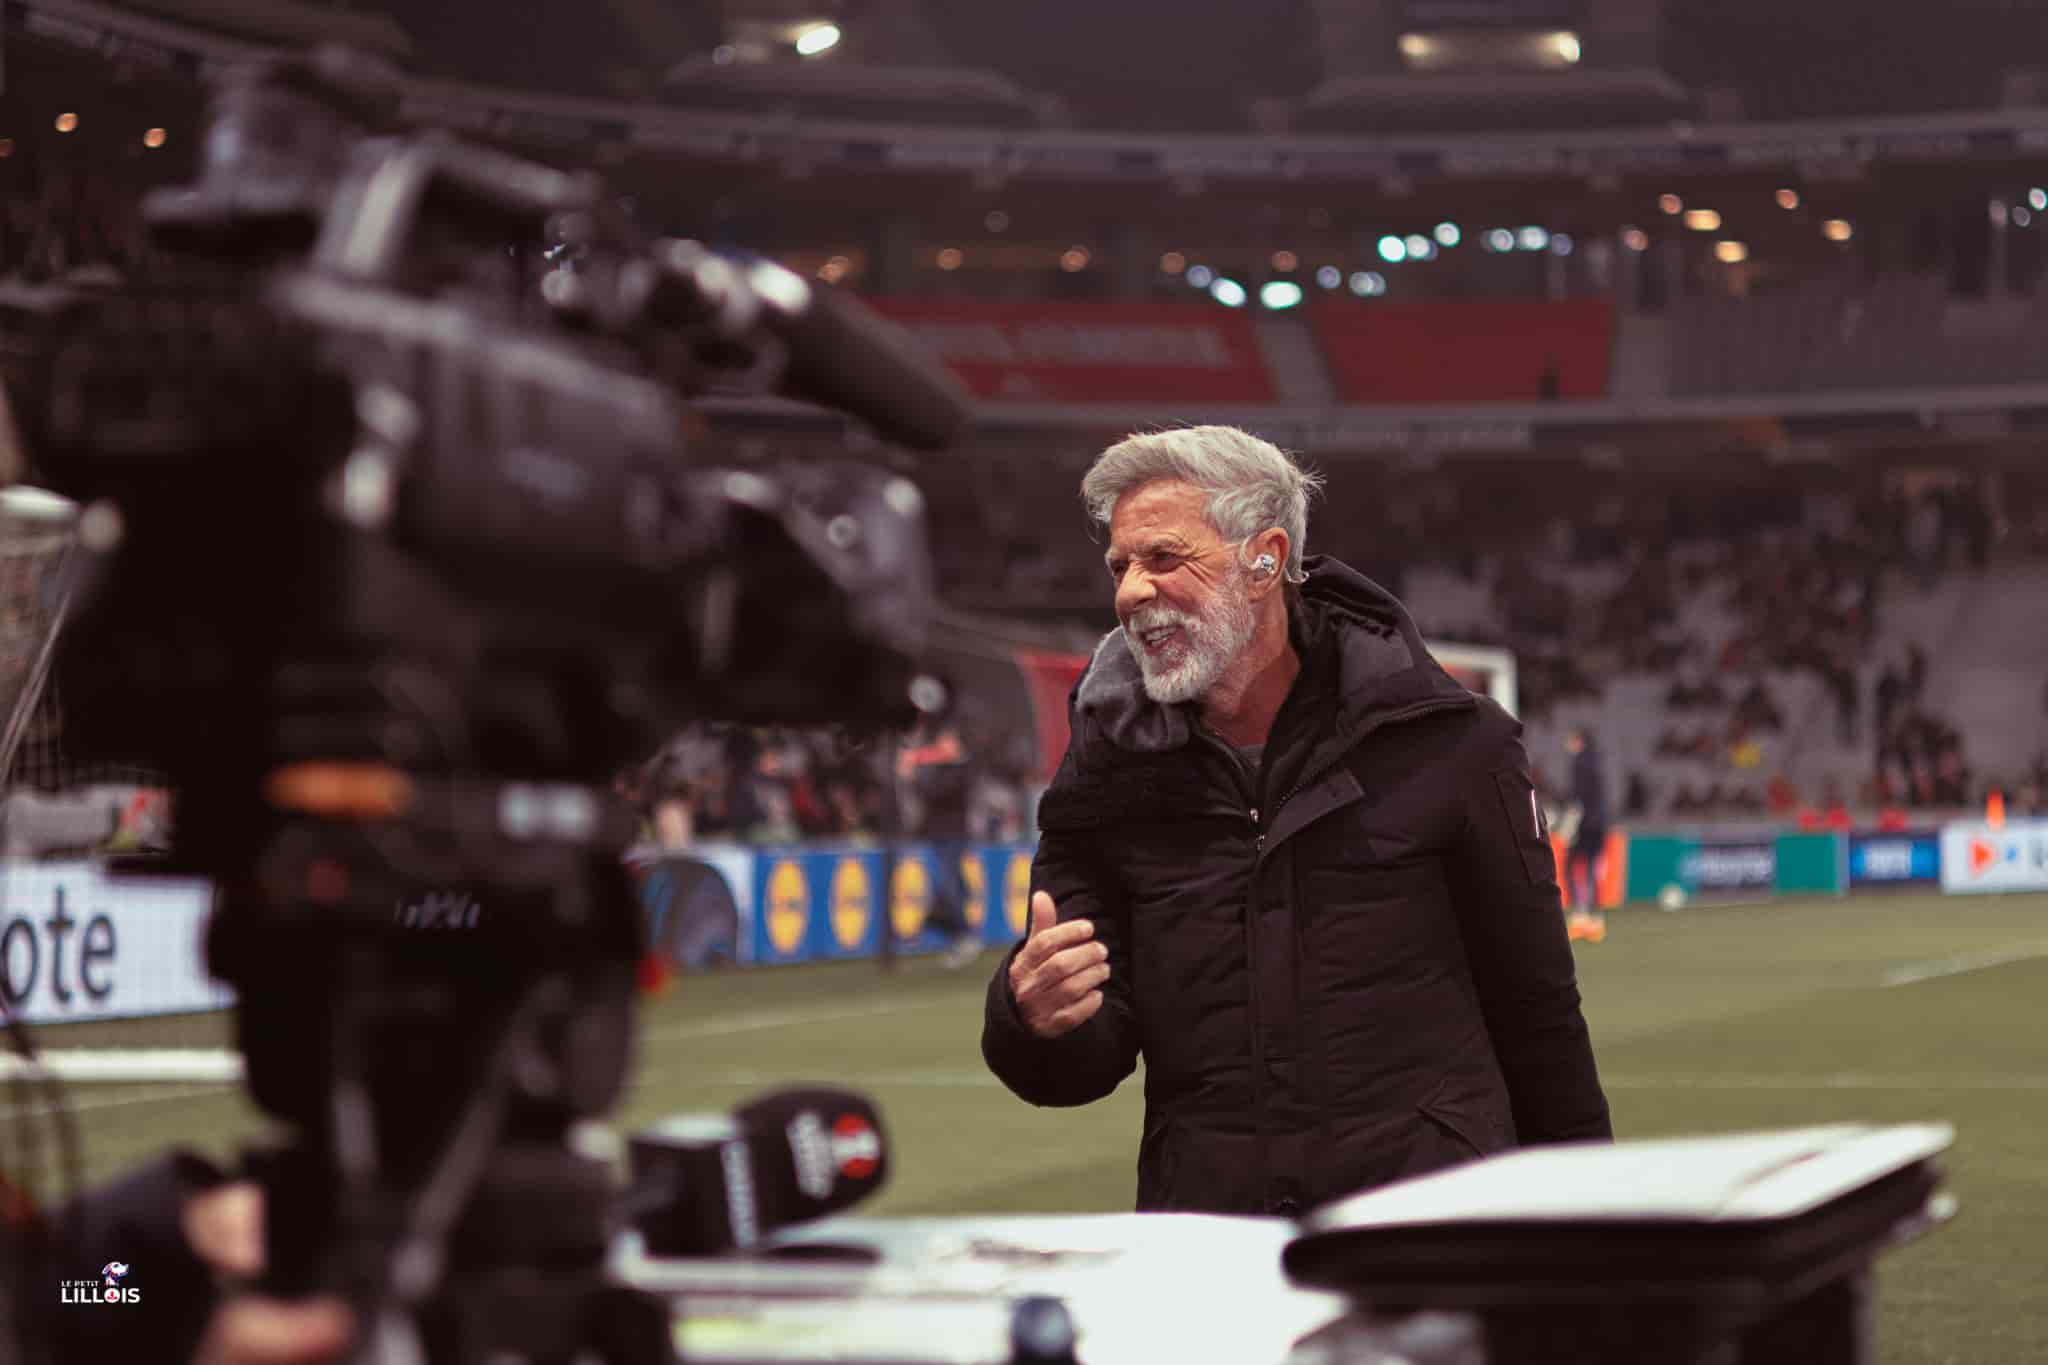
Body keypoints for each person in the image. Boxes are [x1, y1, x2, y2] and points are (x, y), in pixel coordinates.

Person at [980, 426, 1610, 1216]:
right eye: (1120, 565)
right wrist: (1034, 1017)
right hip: (1214, 1241)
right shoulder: (1104, 774)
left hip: (1425, 1232)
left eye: (1164, 558)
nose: (1131, 591)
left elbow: (1539, 1017)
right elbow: (1084, 1060)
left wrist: (1590, 1230)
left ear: (1266, 560)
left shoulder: (1451, 743)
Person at [1563, 727, 1609, 915]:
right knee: (1591, 863)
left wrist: (1570, 820)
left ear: (1578, 741)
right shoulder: (1597, 762)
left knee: (1570, 864)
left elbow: (1578, 795)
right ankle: (1592, 904)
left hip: (1584, 822)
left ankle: (1578, 905)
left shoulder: (1579, 763)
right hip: (1598, 821)